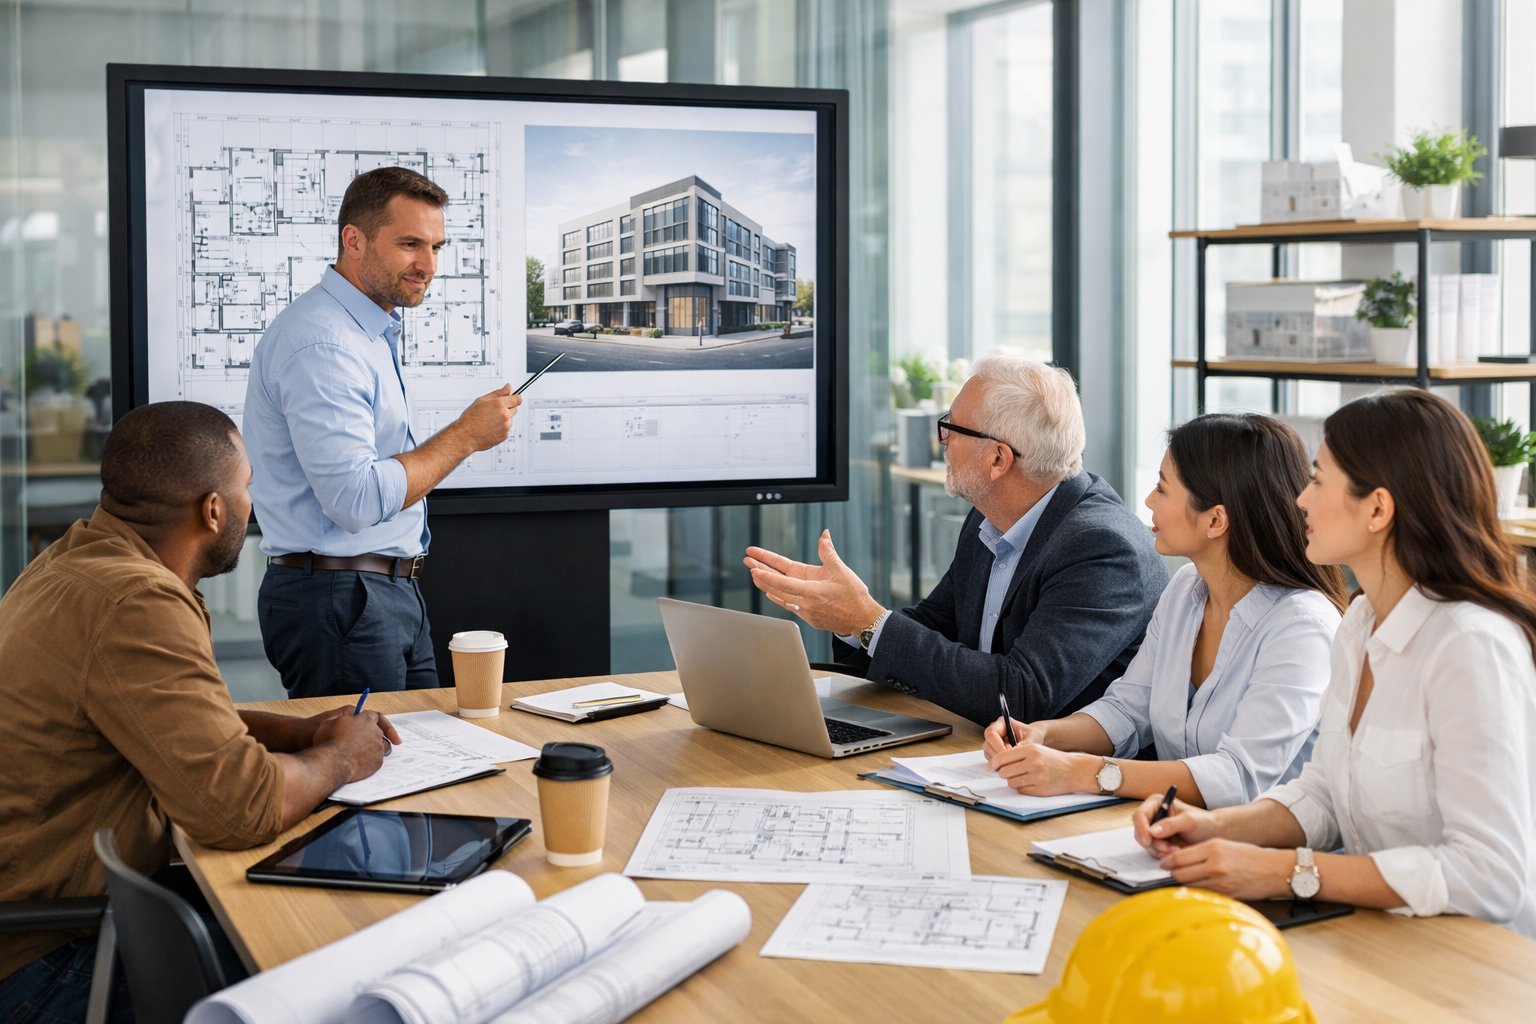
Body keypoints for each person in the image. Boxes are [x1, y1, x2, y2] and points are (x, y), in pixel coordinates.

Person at [0, 401, 399, 1021]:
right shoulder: (137, 601)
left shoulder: (76, 560)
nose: (251, 503)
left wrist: (301, 735)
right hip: (50, 962)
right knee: (360, 968)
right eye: (247, 487)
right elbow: (240, 810)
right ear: (213, 510)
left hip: (57, 918)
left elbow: (170, 720)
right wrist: (342, 758)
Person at [1133, 389, 1536, 936]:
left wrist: (1285, 871)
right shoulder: (1360, 622)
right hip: (1381, 936)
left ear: (1377, 509)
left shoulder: (1470, 646)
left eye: (1318, 480)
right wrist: (1215, 827)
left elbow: (1489, 875)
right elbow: (1324, 793)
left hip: (1474, 960)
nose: (1300, 499)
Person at [744, 355, 1167, 726]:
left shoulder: (1102, 549)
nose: (941, 440)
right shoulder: (992, 514)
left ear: (998, 458)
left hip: (1068, 774)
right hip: (972, 748)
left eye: (951, 428)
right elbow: (937, 626)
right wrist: (848, 620)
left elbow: (1021, 696)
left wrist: (868, 621)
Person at [244, 165, 520, 698]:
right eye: (410, 244)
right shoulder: (326, 344)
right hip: (343, 599)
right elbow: (355, 500)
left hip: (376, 594)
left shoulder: (363, 331)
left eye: (436, 247)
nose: (428, 265)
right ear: (354, 240)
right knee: (369, 753)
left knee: (417, 747)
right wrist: (467, 435)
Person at [982, 414, 1345, 807]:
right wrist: (1043, 735)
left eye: (1162, 488)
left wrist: (1083, 772)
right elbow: (1127, 710)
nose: (1149, 501)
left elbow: (1239, 777)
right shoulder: (1186, 589)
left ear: (1215, 520)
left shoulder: (1301, 628)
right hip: (1171, 828)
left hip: (1250, 841)